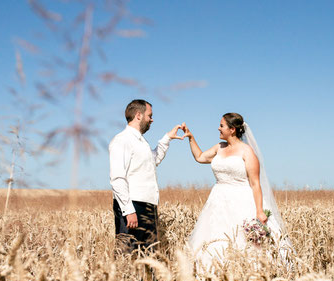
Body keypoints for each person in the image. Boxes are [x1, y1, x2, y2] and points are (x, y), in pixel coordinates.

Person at [181, 113, 288, 271]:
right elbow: (200, 157)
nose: (218, 128)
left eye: (222, 125)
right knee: (215, 238)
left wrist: (259, 211)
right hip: (218, 201)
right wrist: (191, 137)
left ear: (232, 129)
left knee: (244, 243)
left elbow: (255, 183)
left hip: (241, 200)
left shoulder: (247, 151)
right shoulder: (219, 147)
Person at [109, 99, 184, 255]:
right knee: (128, 254)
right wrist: (128, 210)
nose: (152, 119)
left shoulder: (141, 142)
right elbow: (117, 178)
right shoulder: (122, 140)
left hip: (148, 204)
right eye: (149, 115)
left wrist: (167, 138)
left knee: (148, 255)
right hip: (132, 205)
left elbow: (153, 160)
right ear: (138, 115)